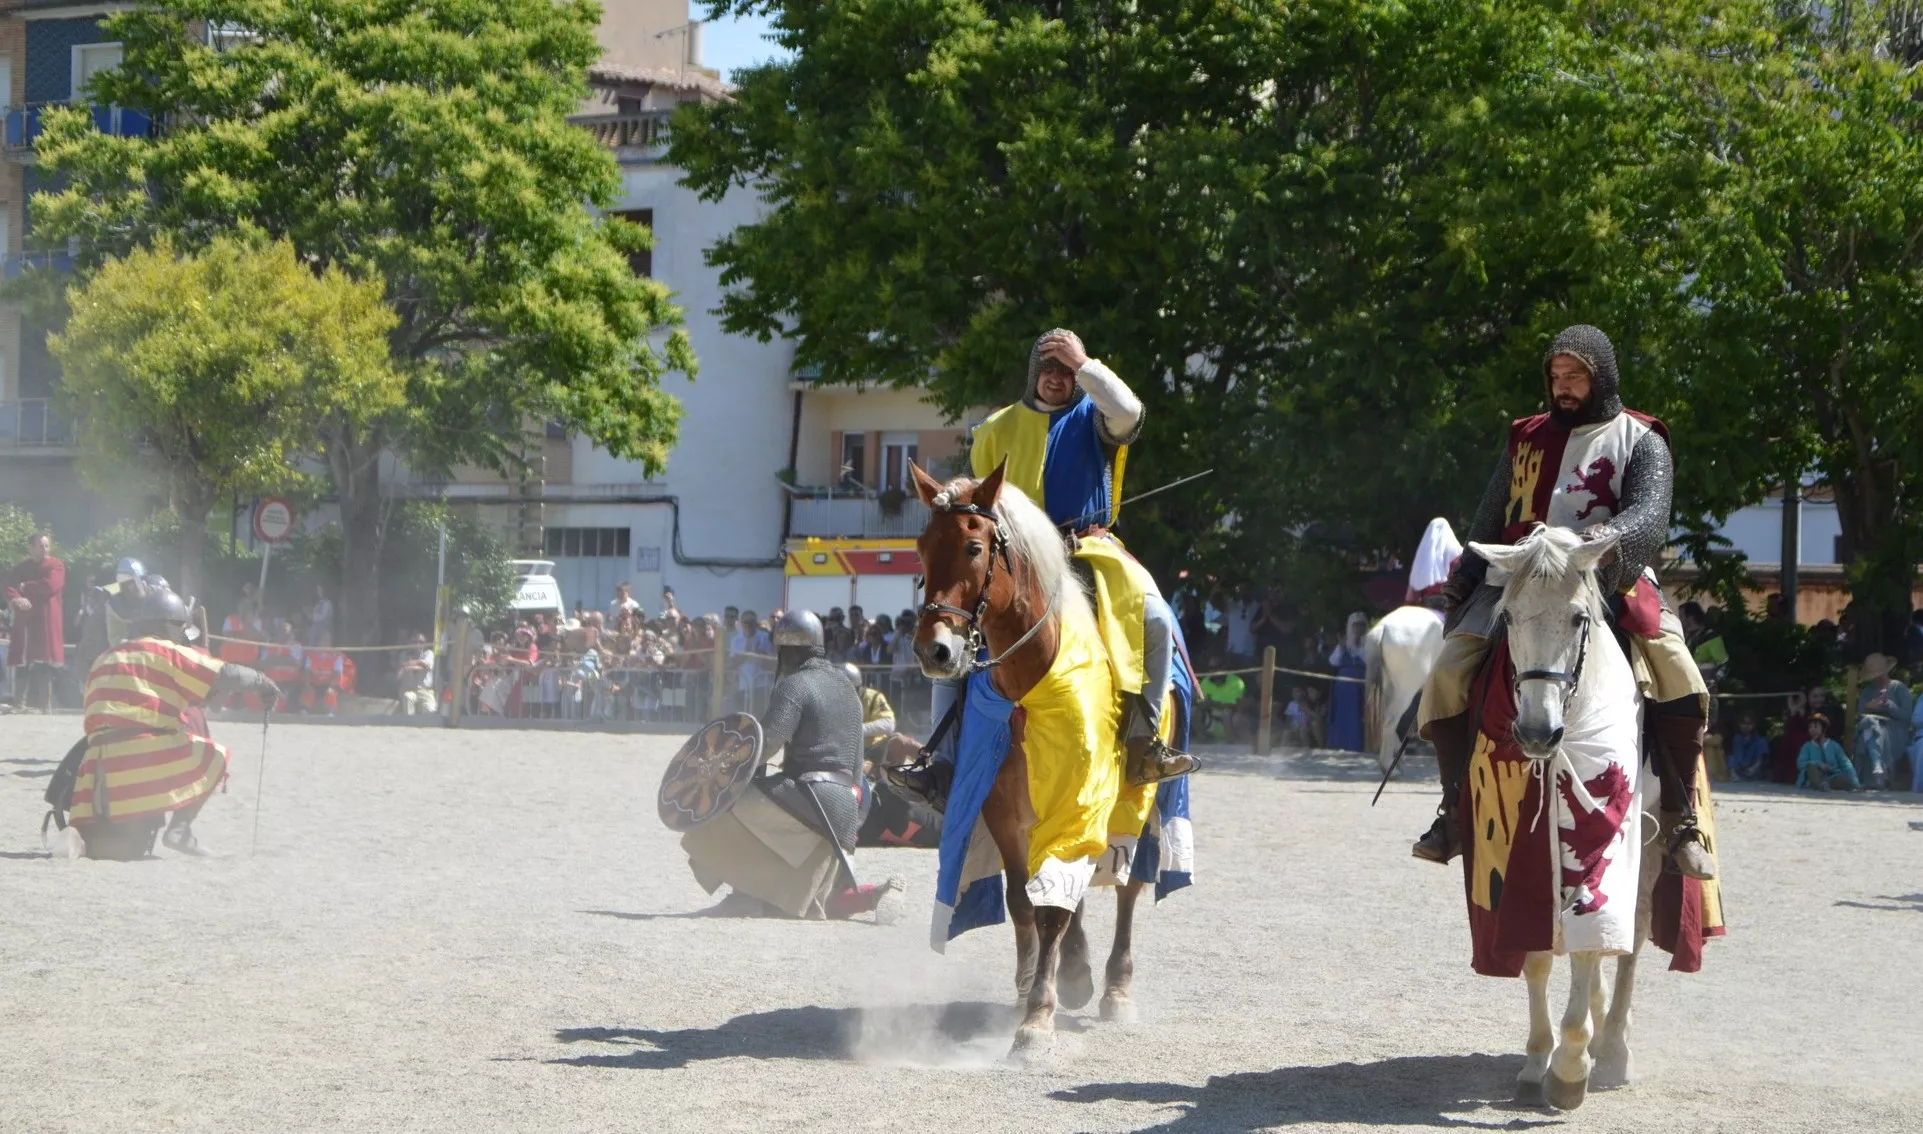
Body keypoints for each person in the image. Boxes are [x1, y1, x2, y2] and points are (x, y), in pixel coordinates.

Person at [1412, 325, 1717, 880]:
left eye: (1574, 376)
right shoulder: (1524, 436)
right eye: (1556, 376)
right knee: (1447, 672)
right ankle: (1452, 812)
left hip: (1606, 573)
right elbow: (1491, 515)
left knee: (1678, 671)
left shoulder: (1640, 438)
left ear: (1600, 377)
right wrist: (1466, 576)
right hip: (1523, 578)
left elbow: (1649, 516)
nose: (1563, 387)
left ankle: (1680, 820)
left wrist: (1602, 545)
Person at [958, 326, 1193, 784]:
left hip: (1088, 549)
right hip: (1014, 558)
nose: (1056, 376)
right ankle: (940, 759)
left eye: (1065, 370)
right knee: (949, 625)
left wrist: (1085, 363)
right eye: (1047, 366)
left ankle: (1146, 744)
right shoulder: (993, 429)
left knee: (1158, 619)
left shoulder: (1095, 418)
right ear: (1032, 373)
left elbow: (1130, 410)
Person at [680, 610, 904, 920]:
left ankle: (743, 895)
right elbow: (855, 766)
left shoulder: (796, 685)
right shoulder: (849, 692)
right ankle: (768, 898)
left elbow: (766, 744)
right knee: (770, 817)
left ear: (787, 648)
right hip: (847, 810)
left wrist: (726, 769)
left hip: (810, 797)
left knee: (727, 800)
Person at [65, 577, 281, 858]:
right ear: (170, 625)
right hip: (140, 760)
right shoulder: (166, 651)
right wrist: (264, 682)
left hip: (95, 769)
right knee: (214, 755)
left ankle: (82, 839)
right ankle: (179, 830)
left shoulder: (107, 656)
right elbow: (226, 674)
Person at [3, 531, 65, 709]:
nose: (45, 549)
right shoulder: (22, 568)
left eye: (47, 545)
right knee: (22, 661)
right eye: (40, 546)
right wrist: (16, 598)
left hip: (46, 619)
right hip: (26, 620)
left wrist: (25, 587)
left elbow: (50, 585)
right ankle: (19, 704)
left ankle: (45, 705)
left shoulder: (56, 565)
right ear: (31, 548)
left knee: (43, 662)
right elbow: (8, 585)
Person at [1851, 653, 1911, 790]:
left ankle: (1875, 775)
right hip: (1871, 727)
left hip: (1895, 730)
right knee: (1870, 725)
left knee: (1873, 731)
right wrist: (1868, 707)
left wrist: (1890, 706)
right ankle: (1877, 773)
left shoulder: (1898, 688)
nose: (1876, 678)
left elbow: (1907, 716)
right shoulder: (1868, 690)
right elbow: (1860, 714)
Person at [1326, 612, 1369, 752]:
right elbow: (1333, 661)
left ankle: (1356, 745)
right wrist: (1343, 646)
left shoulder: (1369, 645)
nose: (1359, 628)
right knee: (1343, 716)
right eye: (1356, 625)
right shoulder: (1344, 645)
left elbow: (1370, 662)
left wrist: (1360, 646)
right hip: (1344, 688)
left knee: (1358, 717)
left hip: (1361, 685)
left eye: (1362, 625)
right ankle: (1340, 744)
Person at [1406, 518, 1463, 608]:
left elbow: (1412, 591)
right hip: (1453, 607)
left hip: (1427, 605)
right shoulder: (1459, 556)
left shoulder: (1422, 559)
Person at [1797, 716, 1858, 792]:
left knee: (1846, 780)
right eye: (1810, 727)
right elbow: (1800, 763)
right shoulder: (1807, 746)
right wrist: (1818, 764)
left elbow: (1846, 764)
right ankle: (1818, 785)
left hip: (1832, 777)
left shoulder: (1834, 746)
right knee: (1811, 766)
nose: (1812, 730)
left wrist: (1855, 781)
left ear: (1824, 729)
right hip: (1813, 775)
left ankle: (1825, 785)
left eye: (1816, 727)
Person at [1680, 602, 1729, 688]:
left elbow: (1724, 663)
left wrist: (1715, 680)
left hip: (1706, 689)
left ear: (1690, 618)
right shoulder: (1688, 638)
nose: (1679, 620)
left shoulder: (1711, 637)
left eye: (1681, 616)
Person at [397, 633, 436, 715]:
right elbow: (401, 665)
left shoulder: (429, 653)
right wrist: (409, 665)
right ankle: (409, 724)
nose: (418, 644)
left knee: (430, 710)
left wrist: (407, 666)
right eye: (415, 642)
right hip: (412, 691)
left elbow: (423, 665)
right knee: (407, 697)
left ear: (424, 644)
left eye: (421, 642)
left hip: (426, 691)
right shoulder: (405, 655)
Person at [1725, 713, 1771, 781]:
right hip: (1739, 769)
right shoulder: (1737, 738)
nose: (1746, 726)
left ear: (1754, 725)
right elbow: (1736, 756)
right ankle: (1734, 776)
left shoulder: (1760, 740)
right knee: (1730, 758)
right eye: (1743, 723)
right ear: (1739, 724)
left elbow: (1760, 760)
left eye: (1749, 723)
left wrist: (1753, 768)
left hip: (1754, 770)